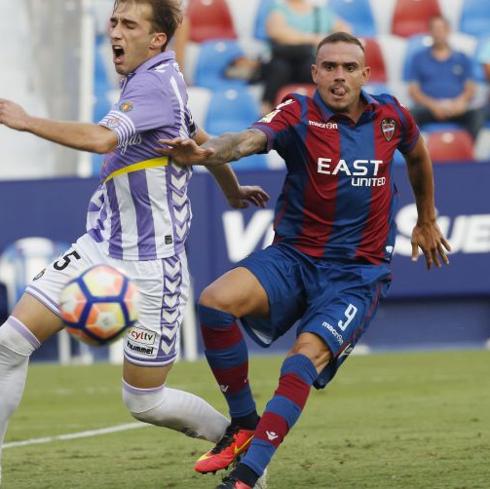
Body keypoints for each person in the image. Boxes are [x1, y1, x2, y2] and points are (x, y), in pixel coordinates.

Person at [158, 31, 451, 489]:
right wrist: (212, 151)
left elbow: (417, 154)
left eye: (348, 68)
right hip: (294, 258)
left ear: (364, 74)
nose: (338, 77)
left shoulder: (391, 116)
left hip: (357, 274)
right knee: (214, 302)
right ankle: (243, 423)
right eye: (329, 67)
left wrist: (427, 218)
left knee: (300, 362)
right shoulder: (298, 112)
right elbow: (250, 138)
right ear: (314, 72)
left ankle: (247, 477)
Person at [0, 0, 269, 486]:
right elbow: (200, 140)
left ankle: (244, 449)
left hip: (151, 267)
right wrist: (232, 190)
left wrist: (26, 121)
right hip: (101, 247)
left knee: (144, 400)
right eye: (114, 22)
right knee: (8, 345)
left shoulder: (152, 87)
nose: (115, 32)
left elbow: (103, 141)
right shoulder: (164, 78)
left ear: (157, 39)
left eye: (129, 24)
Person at [261, 0, 349, 114]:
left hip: (307, 62)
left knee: (314, 68)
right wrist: (313, 38)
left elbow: (344, 29)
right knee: (279, 68)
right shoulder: (278, 9)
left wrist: (327, 41)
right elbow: (276, 32)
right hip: (283, 60)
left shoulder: (319, 12)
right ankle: (267, 110)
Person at [407, 15, 485, 140]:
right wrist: (433, 105)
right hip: (429, 108)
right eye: (435, 29)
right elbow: (413, 91)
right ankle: (418, 156)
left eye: (442, 29)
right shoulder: (418, 58)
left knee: (477, 115)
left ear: (448, 31)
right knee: (408, 117)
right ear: (430, 32)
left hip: (457, 107)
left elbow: (470, 88)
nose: (439, 33)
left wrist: (460, 102)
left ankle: (466, 152)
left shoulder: (462, 57)